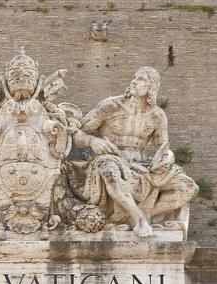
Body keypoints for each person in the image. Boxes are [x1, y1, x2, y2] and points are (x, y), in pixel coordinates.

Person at [73, 66, 198, 237]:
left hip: (142, 165)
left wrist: (167, 159)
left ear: (151, 88)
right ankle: (138, 218)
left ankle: (147, 213)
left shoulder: (157, 116)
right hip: (111, 158)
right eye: (134, 77)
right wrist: (92, 140)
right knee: (109, 170)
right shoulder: (111, 106)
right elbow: (75, 132)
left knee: (188, 187)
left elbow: (165, 148)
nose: (134, 81)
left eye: (141, 80)